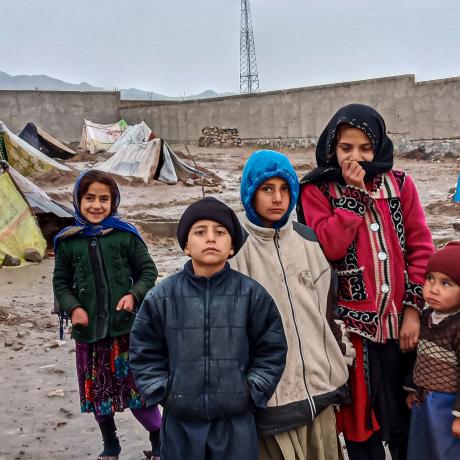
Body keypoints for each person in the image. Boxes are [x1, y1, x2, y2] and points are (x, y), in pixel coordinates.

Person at [298, 104, 434, 460]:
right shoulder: (317, 190)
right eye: (346, 148)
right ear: (332, 147)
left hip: (403, 330)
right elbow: (328, 245)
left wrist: (414, 311)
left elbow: (421, 248)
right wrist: (355, 198)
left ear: (379, 147)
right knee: (361, 426)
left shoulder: (400, 184)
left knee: (409, 415)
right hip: (350, 336)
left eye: (364, 148)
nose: (355, 157)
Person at [129, 197, 288, 460]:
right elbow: (144, 350)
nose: (210, 239)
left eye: (220, 232)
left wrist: (249, 392)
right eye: (200, 232)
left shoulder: (252, 296)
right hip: (180, 423)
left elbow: (271, 350)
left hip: (235, 424)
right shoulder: (162, 297)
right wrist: (163, 391)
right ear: (186, 246)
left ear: (232, 247)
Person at [230, 149, 355, 460]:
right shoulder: (236, 249)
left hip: (319, 391)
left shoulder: (308, 240)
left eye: (285, 189)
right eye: (267, 189)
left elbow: (328, 311)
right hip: (271, 400)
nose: (278, 198)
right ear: (250, 191)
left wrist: (341, 361)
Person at [53, 170, 161, 460]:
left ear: (114, 201)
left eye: (104, 199)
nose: (96, 205)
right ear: (78, 200)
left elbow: (148, 271)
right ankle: (110, 443)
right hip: (90, 336)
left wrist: (133, 295)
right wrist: (74, 308)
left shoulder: (125, 235)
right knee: (98, 395)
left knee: (139, 391)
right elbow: (61, 283)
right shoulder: (67, 241)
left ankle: (159, 439)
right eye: (90, 198)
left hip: (127, 331)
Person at [406, 242, 460, 460]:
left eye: (446, 283)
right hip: (423, 401)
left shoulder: (457, 327)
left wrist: (459, 416)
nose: (434, 288)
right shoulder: (425, 317)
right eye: (430, 279)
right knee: (422, 447)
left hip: (448, 406)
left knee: (446, 451)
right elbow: (418, 356)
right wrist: (411, 386)